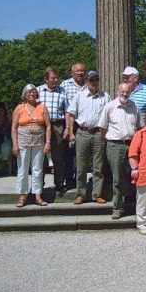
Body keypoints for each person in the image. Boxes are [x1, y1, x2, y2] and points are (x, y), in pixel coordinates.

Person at [66, 70, 110, 205]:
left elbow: (110, 115)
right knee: (81, 166)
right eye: (91, 80)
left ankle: (97, 194)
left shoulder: (105, 96)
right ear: (87, 81)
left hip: (98, 133)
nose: (94, 82)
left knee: (98, 166)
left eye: (96, 79)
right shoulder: (79, 96)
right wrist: (71, 133)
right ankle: (81, 194)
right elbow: (71, 114)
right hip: (82, 133)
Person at [98, 83, 141, 219]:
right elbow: (102, 128)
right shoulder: (110, 106)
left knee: (134, 176)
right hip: (115, 145)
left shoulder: (134, 106)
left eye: (127, 91)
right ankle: (117, 207)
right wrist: (110, 142)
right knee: (117, 178)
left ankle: (135, 205)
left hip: (132, 144)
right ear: (117, 91)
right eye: (122, 91)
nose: (124, 94)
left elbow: (139, 127)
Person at [11, 84, 51, 207]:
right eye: (29, 92)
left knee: (37, 169)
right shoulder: (19, 108)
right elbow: (14, 127)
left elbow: (48, 126)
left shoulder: (42, 107)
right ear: (25, 95)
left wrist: (48, 143)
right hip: (23, 141)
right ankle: (22, 196)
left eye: (34, 92)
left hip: (39, 141)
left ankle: (38, 195)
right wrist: (15, 144)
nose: (32, 94)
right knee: (23, 168)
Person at [38, 67, 68, 196]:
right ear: (46, 79)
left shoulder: (62, 91)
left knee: (58, 157)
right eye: (53, 78)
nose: (56, 80)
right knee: (40, 157)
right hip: (41, 126)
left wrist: (67, 128)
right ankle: (38, 185)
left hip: (57, 125)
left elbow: (67, 111)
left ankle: (59, 184)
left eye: (57, 78)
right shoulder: (38, 90)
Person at [61, 62, 86, 191]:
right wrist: (66, 127)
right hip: (69, 123)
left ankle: (79, 180)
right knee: (68, 154)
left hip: (82, 124)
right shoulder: (64, 85)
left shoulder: (88, 85)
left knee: (80, 154)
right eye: (77, 71)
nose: (80, 73)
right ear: (72, 72)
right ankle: (69, 180)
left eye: (82, 71)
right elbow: (62, 107)